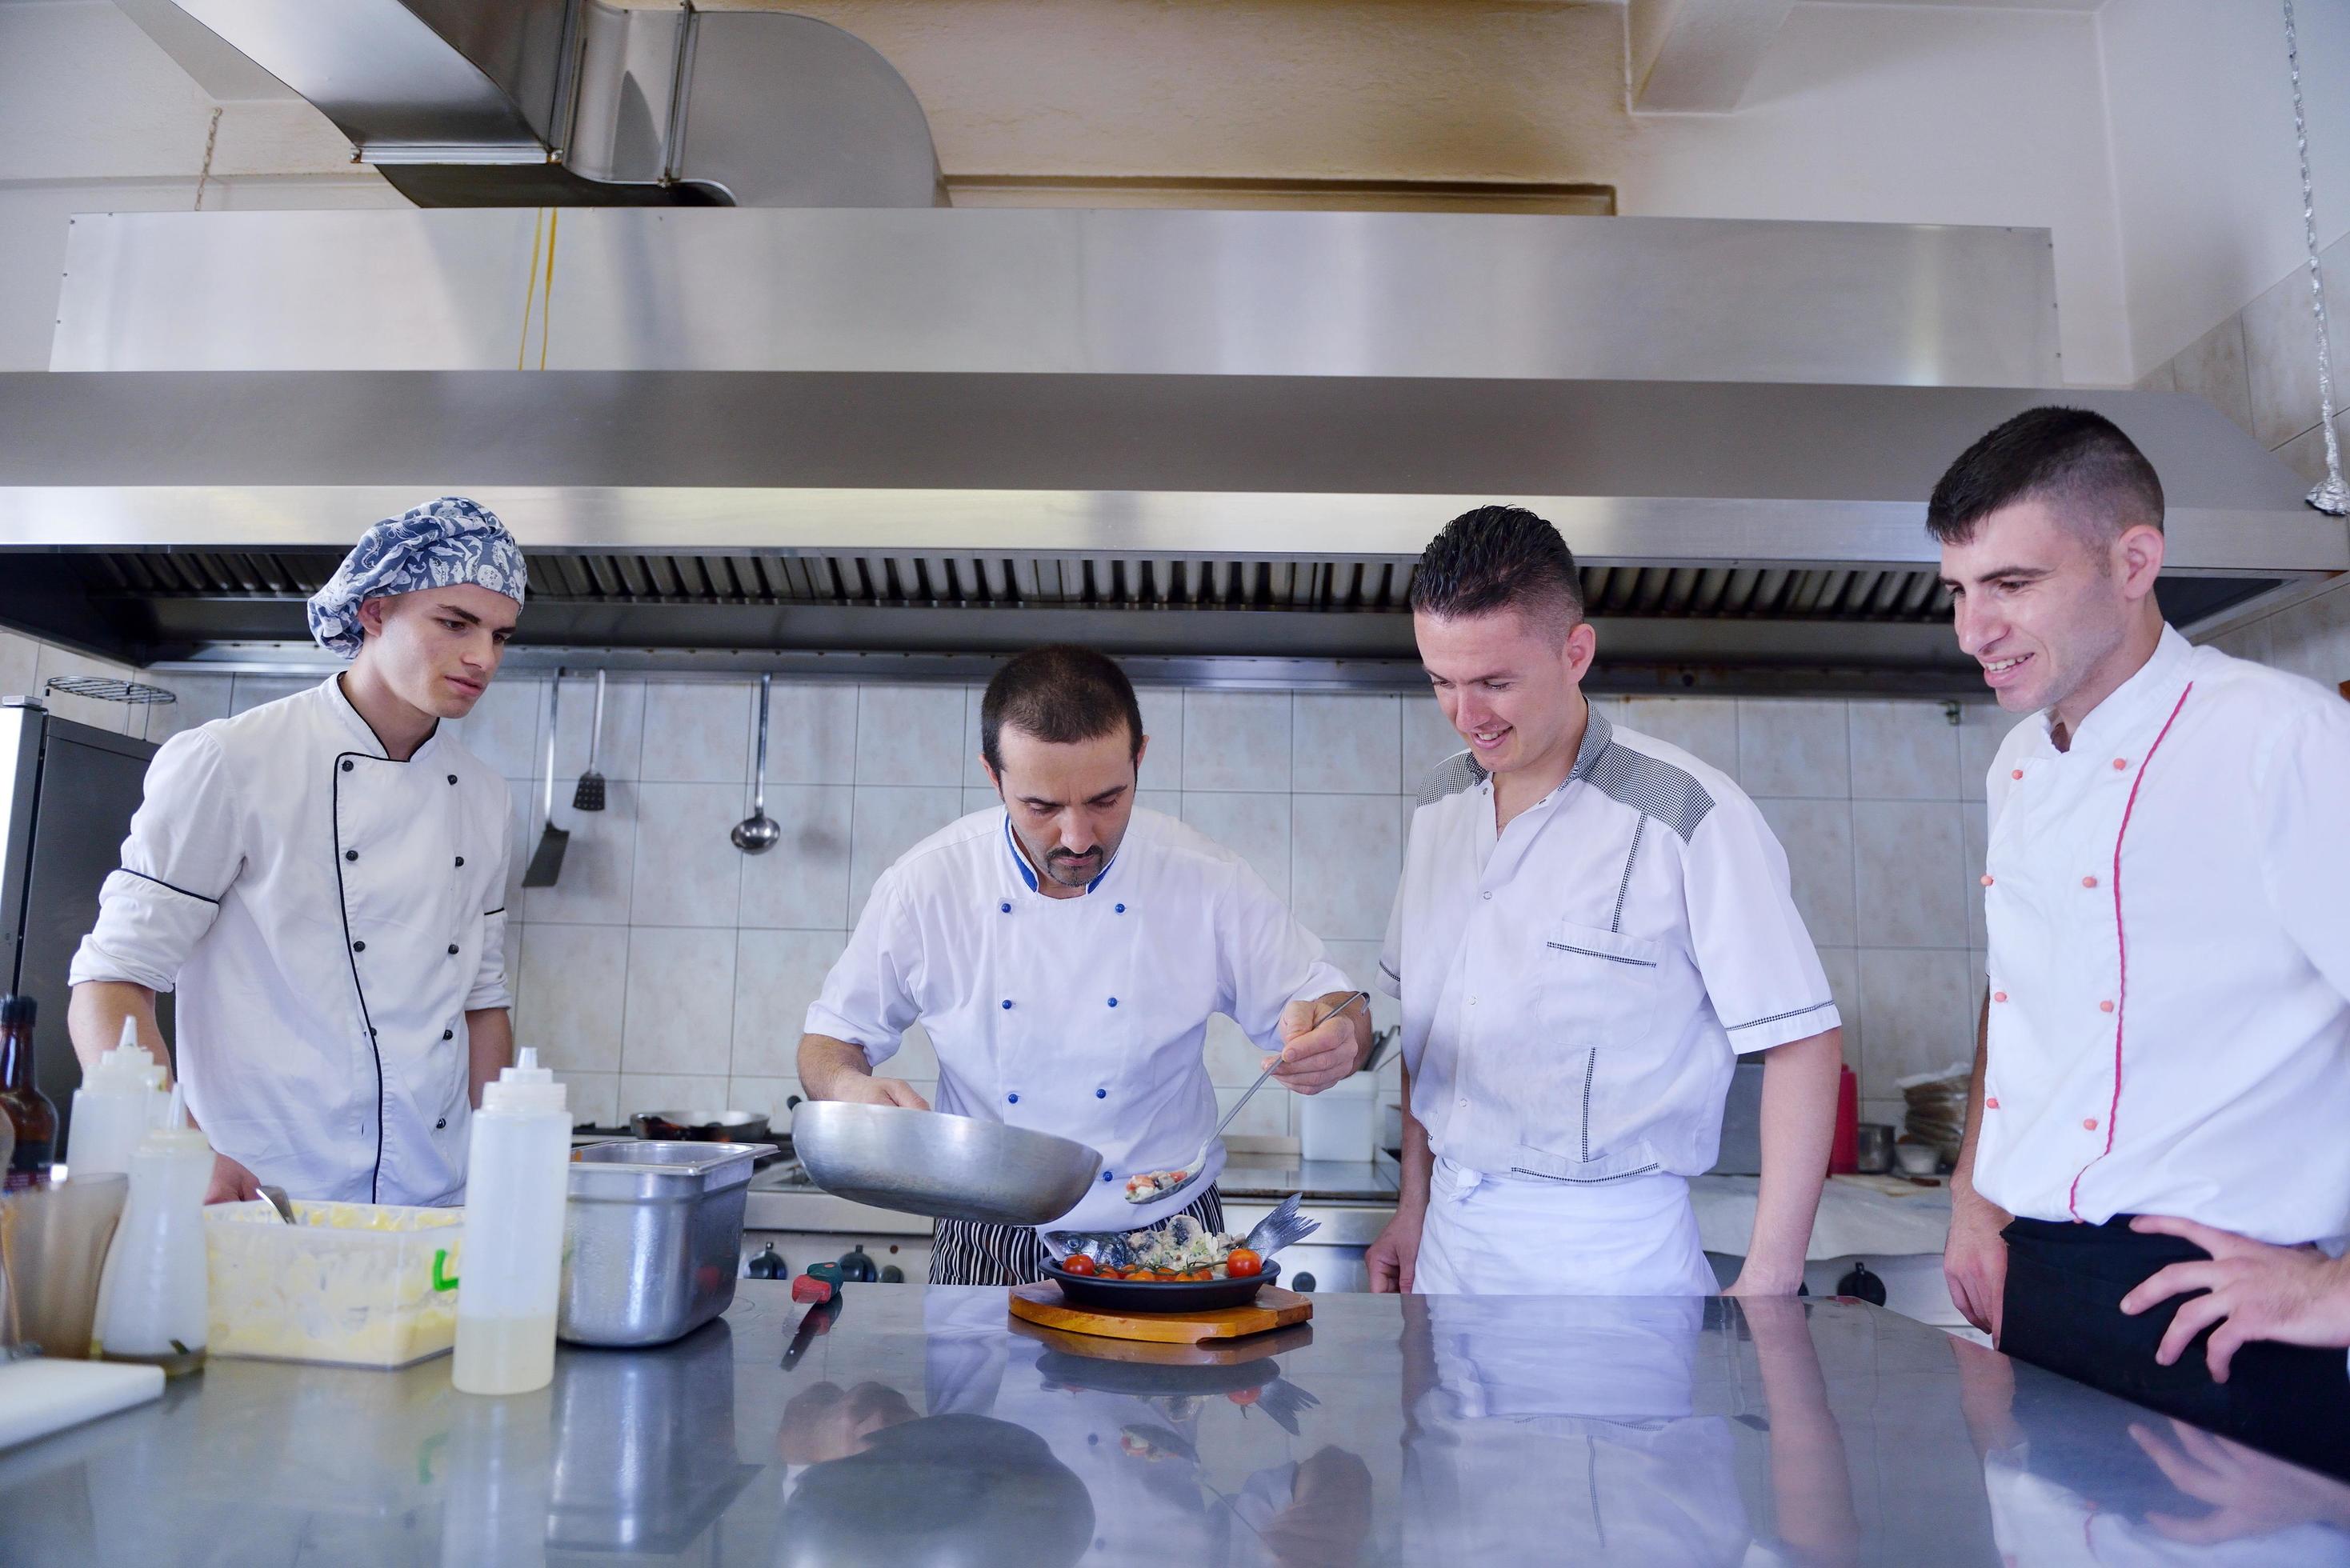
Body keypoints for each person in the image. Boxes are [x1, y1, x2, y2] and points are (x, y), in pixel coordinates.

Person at [1932, 406, 2350, 1478]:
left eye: (2011, 585)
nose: (1971, 631)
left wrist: (2331, 1293)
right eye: (1958, 592)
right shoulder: (2017, 764)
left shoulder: (2279, 738)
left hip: (2216, 1316)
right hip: (2038, 1293)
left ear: (2133, 560)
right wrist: (1974, 1194)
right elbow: (2022, 992)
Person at [1367, 506, 1841, 1298]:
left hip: (1609, 1255)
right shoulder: (1438, 806)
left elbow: (1804, 1042)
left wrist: (1770, 1278)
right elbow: (1430, 1024)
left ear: (1575, 651)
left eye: (1495, 682)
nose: (1467, 714)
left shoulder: (1686, 814)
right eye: (1442, 681)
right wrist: (1413, 1202)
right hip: (1450, 1239)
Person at [796, 645, 1371, 1285]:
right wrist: (849, 1089)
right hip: (987, 1232)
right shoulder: (927, 885)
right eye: (1041, 807)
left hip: (1168, 1235)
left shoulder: (1207, 881)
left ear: (1138, 758)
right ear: (994, 778)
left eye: (1106, 798)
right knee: (968, 1389)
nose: (1077, 837)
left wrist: (1336, 1034)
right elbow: (830, 1041)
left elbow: (1338, 1005)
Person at [67, 497, 526, 1206]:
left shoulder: (485, 796)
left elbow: (480, 1000)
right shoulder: (231, 761)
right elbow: (112, 980)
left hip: (436, 1204)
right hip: (262, 1196)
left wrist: (502, 1171)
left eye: (500, 635)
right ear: (374, 612)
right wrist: (174, 1145)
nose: (482, 657)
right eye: (455, 623)